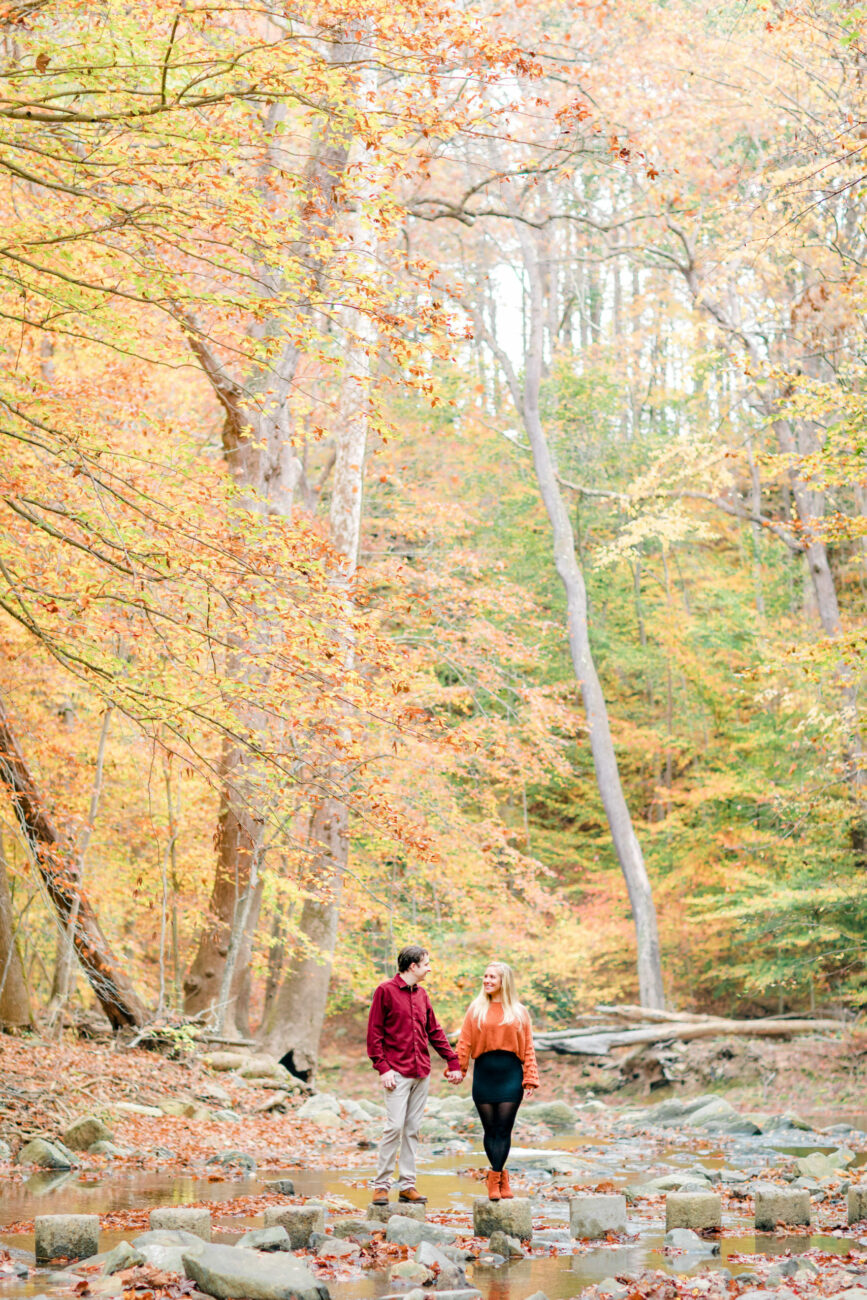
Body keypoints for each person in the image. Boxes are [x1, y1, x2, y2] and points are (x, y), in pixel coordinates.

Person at [367, 944, 463, 1204]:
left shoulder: (422, 995)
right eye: (426, 964)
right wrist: (382, 1068)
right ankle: (381, 1185)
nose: (430, 968)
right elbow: (374, 1034)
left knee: (412, 1130)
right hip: (396, 1072)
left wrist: (452, 1061)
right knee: (394, 1127)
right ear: (412, 966)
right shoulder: (384, 991)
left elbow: (435, 1032)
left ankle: (407, 1185)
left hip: (422, 1071)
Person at [456, 960, 539, 1201]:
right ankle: (499, 1176)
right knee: (489, 1129)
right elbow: (465, 1041)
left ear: (504, 981)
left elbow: (528, 1047)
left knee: (503, 1130)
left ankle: (496, 1177)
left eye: (493, 977)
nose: (487, 981)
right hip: (484, 1073)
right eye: (485, 976)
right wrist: (459, 1069)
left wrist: (530, 1078)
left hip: (511, 1073)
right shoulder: (476, 1008)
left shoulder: (519, 1011)